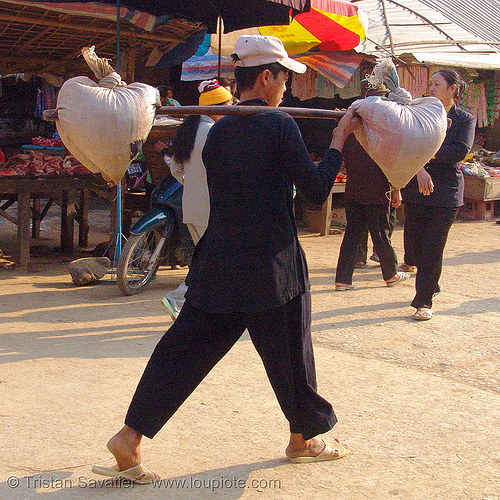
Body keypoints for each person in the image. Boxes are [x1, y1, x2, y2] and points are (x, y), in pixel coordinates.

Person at [93, 35, 361, 483]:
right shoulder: (279, 124)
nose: (286, 89)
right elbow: (316, 193)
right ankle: (303, 439)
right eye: (283, 79)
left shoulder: (219, 132)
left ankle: (129, 437)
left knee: (183, 352)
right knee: (292, 352)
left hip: (219, 261)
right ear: (265, 77)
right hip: (271, 265)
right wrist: (338, 140)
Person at [402, 68, 476, 320]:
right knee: (413, 246)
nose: (431, 88)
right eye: (430, 84)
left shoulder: (464, 119)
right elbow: (407, 142)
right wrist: (420, 168)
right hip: (417, 186)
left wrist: (428, 153)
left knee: (432, 247)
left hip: (446, 192)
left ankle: (424, 301)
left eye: (436, 84)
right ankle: (431, 284)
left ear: (452, 89)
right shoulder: (419, 113)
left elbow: (460, 150)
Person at [160, 79, 233, 320]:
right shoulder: (213, 132)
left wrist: (191, 185)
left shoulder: (192, 129)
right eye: (229, 105)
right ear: (217, 108)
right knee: (211, 263)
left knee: (209, 262)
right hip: (209, 209)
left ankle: (202, 309)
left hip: (192, 205)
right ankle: (178, 298)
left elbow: (175, 167)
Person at [334, 133, 409, 291]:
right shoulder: (381, 136)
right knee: (381, 235)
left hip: (354, 191)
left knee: (351, 236)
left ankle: (342, 279)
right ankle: (391, 274)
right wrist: (397, 189)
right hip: (376, 193)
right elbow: (391, 167)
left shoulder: (349, 134)